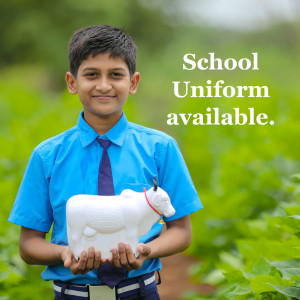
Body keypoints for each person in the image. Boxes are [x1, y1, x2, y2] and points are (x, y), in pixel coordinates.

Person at [8, 25, 203, 300]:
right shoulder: (47, 156)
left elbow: (181, 231)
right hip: (71, 294)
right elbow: (29, 245)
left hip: (139, 293)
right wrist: (64, 253)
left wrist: (148, 250)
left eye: (115, 75)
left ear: (133, 82)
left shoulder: (161, 149)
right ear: (72, 82)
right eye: (91, 75)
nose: (103, 85)